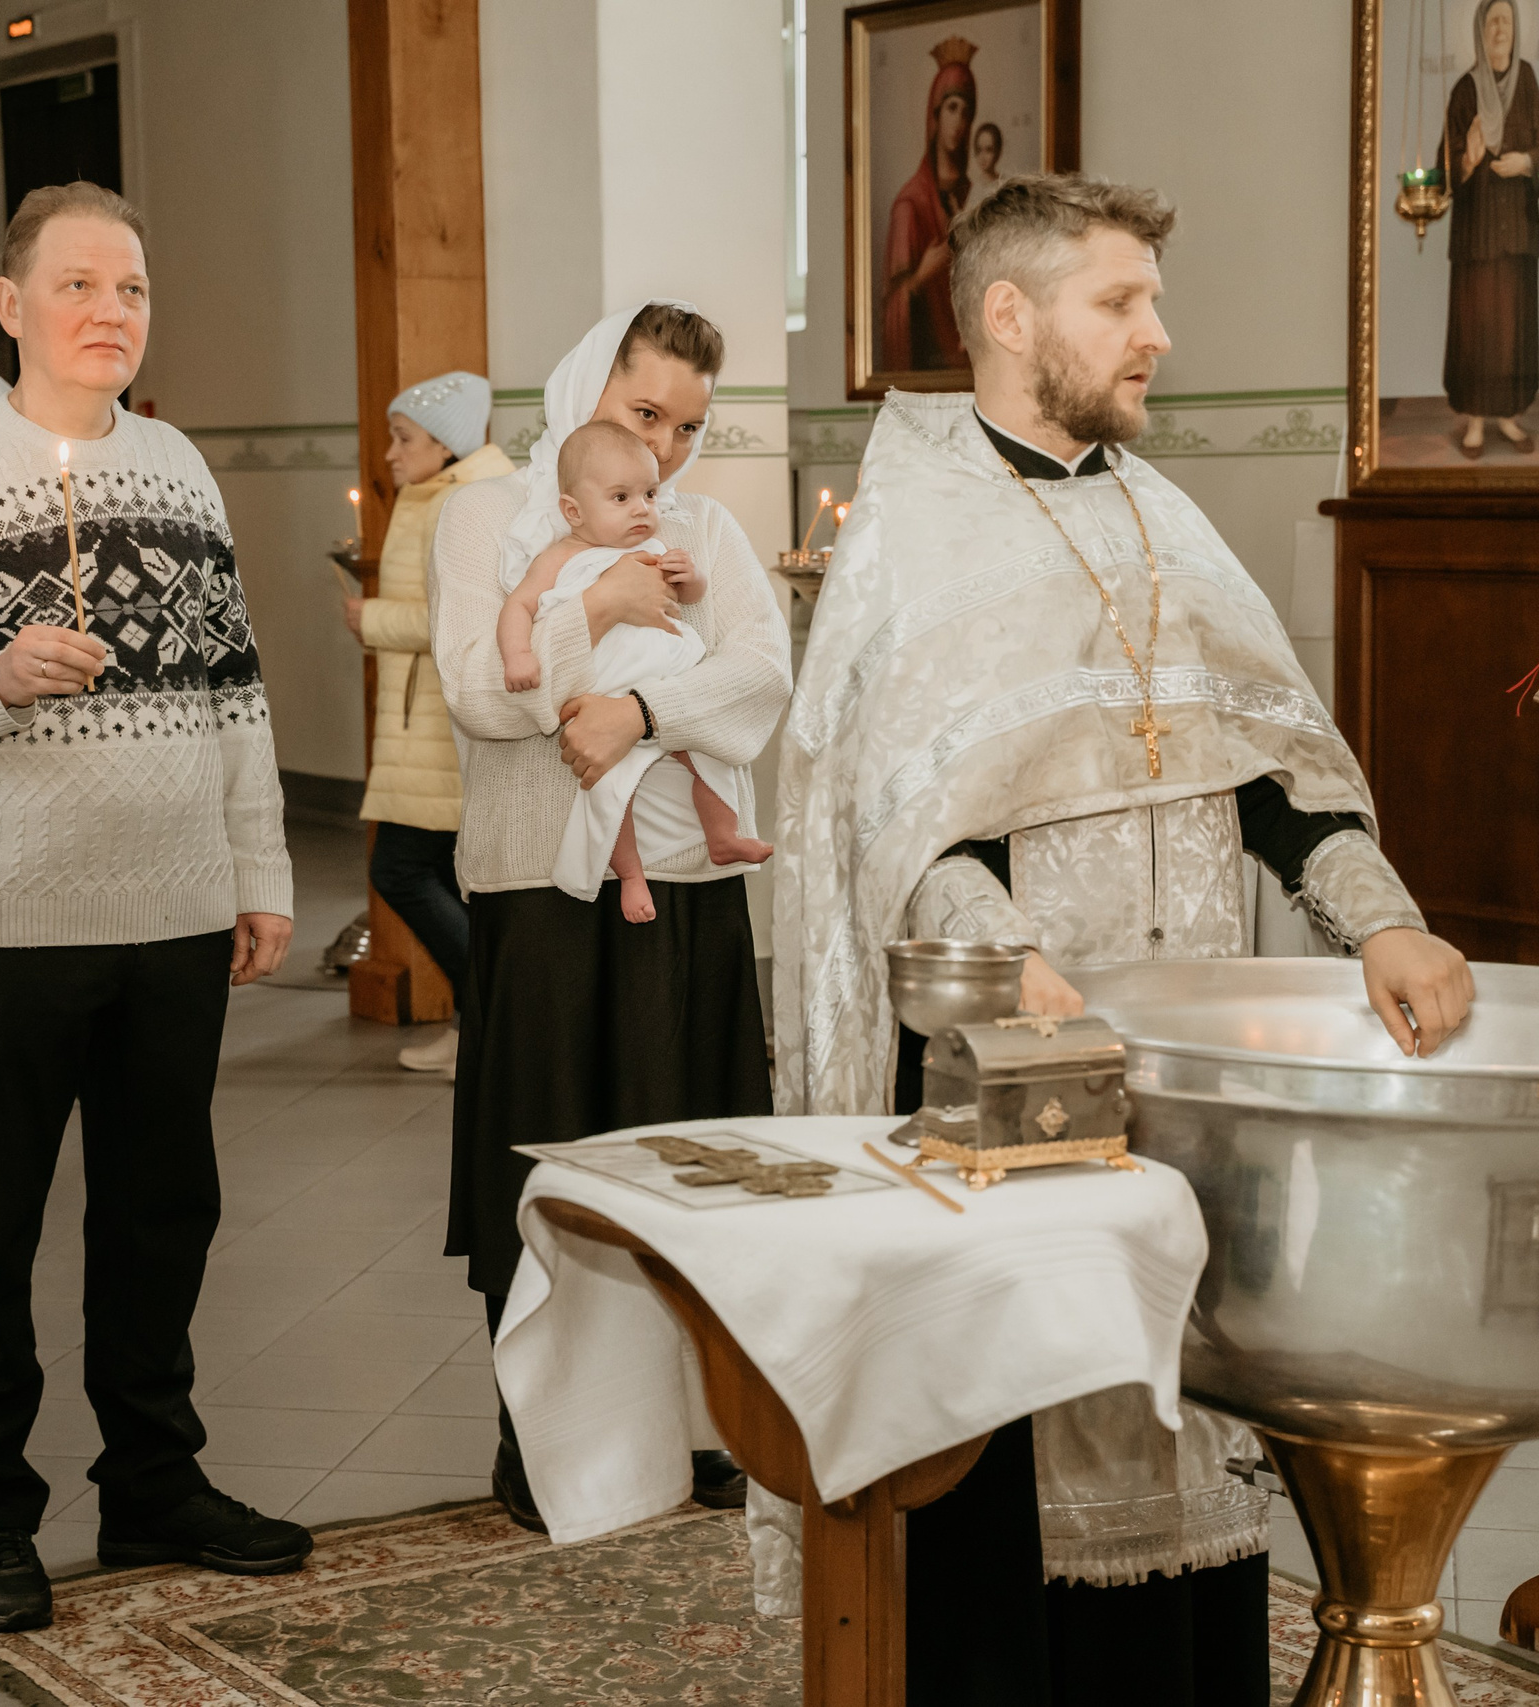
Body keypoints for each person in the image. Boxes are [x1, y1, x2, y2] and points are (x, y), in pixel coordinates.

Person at [771, 173, 1476, 1706]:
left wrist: (1387, 919)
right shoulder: (918, 529)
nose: (1161, 334)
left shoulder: (1164, 512)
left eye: (1152, 299)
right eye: (1123, 303)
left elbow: (1273, 771)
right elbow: (892, 823)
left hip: (1179, 1068)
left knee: (1180, 1402)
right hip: (1007, 1065)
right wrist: (1009, 959)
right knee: (1013, 1461)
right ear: (1012, 318)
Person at [0, 181, 305, 1634]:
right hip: (9, 922)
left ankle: (154, 1476)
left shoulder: (180, 473)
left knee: (162, 1213)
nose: (113, 311)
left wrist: (260, 867)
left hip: (172, 909)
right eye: (84, 285)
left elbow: (233, 689)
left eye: (134, 290)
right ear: (13, 301)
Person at [431, 300, 791, 1531]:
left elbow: (762, 670)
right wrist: (604, 604)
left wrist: (640, 716)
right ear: (589, 391)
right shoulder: (488, 516)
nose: (668, 452)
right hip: (539, 882)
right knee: (549, 1160)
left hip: (686, 885)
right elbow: (482, 688)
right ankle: (534, 1437)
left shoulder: (707, 527)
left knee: (684, 1165)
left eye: (689, 426)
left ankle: (698, 1428)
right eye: (645, 415)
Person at [496, 421, 768, 922]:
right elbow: (518, 606)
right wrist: (519, 657)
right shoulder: (558, 556)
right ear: (573, 510)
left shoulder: (656, 547)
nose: (642, 508)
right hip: (604, 689)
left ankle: (723, 836)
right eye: (621, 497)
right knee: (608, 788)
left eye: (649, 493)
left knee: (705, 758)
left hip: (666, 683)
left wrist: (693, 578)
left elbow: (690, 599)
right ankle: (629, 872)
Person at [341, 371, 512, 1079]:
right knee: (436, 867)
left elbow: (465, 618)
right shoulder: (435, 493)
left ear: (445, 444)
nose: (389, 452)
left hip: (445, 719)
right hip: (421, 716)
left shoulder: (468, 502)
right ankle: (480, 1024)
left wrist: (370, 619)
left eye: (403, 437)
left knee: (400, 867)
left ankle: (496, 1014)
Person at [1439, 0, 1539, 458]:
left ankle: (1508, 415)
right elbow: (1445, 171)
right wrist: (1467, 158)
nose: (1500, 28)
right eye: (1492, 22)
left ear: (1516, 28)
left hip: (1518, 234)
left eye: (1507, 20)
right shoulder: (1465, 90)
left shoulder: (1527, 81)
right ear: (1480, 32)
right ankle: (1474, 420)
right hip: (1476, 236)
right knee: (1477, 329)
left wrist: (1528, 164)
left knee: (1512, 330)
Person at [882, 34, 979, 373]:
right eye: (952, 109)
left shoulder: (976, 195)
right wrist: (921, 277)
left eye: (967, 112)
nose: (960, 123)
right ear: (935, 116)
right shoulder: (910, 205)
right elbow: (892, 308)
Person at [963, 120, 1006, 213]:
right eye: (979, 150)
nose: (983, 157)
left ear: (998, 151)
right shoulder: (975, 189)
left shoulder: (1005, 184)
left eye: (988, 150)